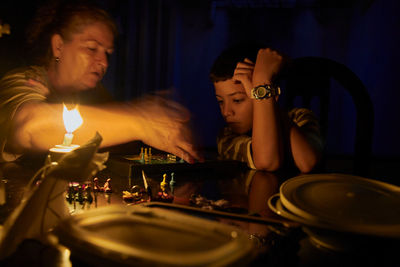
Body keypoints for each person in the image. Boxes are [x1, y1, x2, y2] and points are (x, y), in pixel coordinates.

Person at [0, 1, 202, 163]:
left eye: (107, 53)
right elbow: (31, 126)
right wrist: (140, 121)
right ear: (59, 46)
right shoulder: (24, 81)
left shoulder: (95, 95)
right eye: (91, 48)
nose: (104, 62)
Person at [209, 44, 323, 173]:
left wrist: (261, 83)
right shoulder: (227, 137)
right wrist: (262, 86)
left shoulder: (300, 117)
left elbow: (307, 163)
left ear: (272, 93)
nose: (226, 112)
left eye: (237, 100)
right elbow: (267, 161)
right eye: (220, 101)